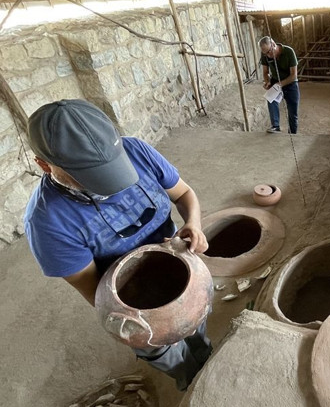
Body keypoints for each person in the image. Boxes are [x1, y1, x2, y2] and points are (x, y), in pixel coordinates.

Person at [23, 99, 211, 391]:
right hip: (133, 297)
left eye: (109, 168)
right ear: (45, 165)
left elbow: (184, 193)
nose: (110, 186)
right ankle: (190, 377)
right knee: (165, 350)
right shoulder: (48, 222)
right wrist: (151, 322)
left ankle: (205, 353)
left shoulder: (135, 150)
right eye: (89, 176)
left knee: (195, 318)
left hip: (178, 265)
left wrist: (193, 224)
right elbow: (98, 295)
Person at [259, 36, 300, 134]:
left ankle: (292, 133)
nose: (267, 55)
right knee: (271, 99)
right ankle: (275, 126)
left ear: (273, 45)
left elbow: (294, 75)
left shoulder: (289, 52)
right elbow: (265, 72)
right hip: (275, 81)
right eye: (265, 53)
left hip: (290, 83)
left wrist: (279, 84)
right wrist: (267, 81)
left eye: (269, 52)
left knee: (292, 112)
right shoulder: (265, 54)